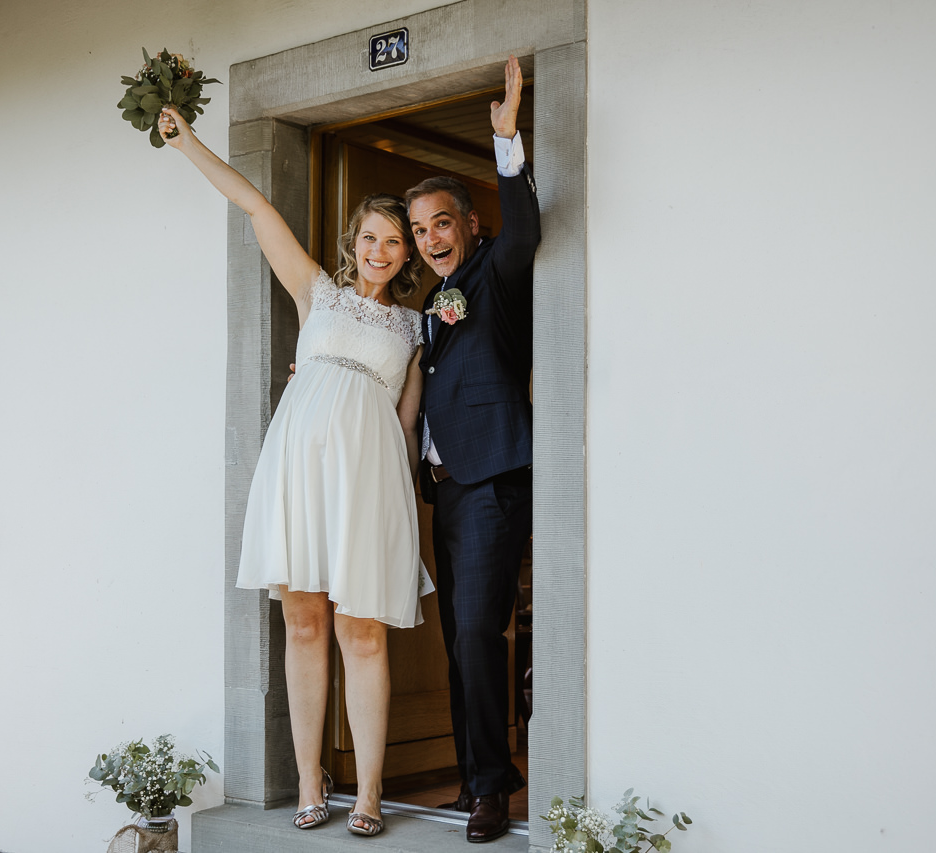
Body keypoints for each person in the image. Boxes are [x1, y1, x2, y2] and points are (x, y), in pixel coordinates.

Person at [156, 107, 433, 839]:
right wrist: (188, 143)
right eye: (370, 237)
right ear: (354, 243)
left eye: (393, 241)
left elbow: (408, 423)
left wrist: (402, 504)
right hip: (298, 467)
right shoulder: (318, 292)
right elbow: (253, 204)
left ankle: (369, 790)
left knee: (363, 629)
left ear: (407, 255)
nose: (380, 250)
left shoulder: (415, 327)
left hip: (367, 480)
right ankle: (311, 776)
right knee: (304, 620)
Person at [407, 56, 539, 844]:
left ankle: (494, 785)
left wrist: (506, 142)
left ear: (469, 225)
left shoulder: (495, 271)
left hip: (491, 478)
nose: (429, 242)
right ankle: (470, 774)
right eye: (419, 231)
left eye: (440, 225)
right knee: (459, 638)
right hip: (445, 489)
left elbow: (526, 229)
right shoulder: (431, 301)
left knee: (473, 634)